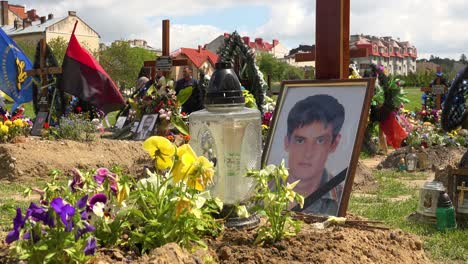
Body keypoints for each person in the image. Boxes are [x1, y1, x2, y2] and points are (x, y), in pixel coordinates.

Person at [284, 94, 347, 215]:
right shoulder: (262, 190)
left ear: (334, 144)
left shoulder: (339, 198)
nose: (308, 153)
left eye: (320, 141)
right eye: (300, 140)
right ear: (287, 142)